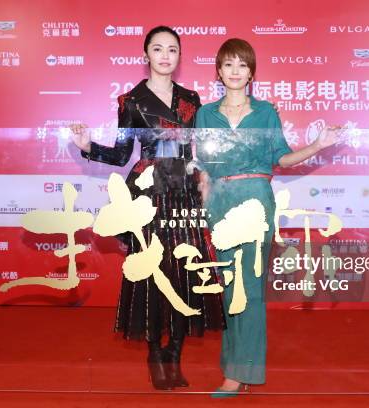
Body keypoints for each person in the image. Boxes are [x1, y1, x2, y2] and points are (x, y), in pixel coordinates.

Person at [70, 26, 225, 390]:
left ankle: (176, 354)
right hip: (149, 191)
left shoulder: (192, 97)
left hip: (184, 189)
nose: (166, 55)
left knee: (187, 270)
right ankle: (155, 350)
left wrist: (204, 176)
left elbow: (199, 147)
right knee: (154, 268)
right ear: (146, 56)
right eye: (158, 49)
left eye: (173, 49)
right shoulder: (131, 101)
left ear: (179, 56)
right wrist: (88, 145)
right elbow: (124, 154)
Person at [195, 38, 343, 397]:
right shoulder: (205, 114)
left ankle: (240, 373)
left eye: (242, 65)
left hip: (255, 201)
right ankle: (234, 366)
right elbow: (202, 165)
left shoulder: (265, 113)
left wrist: (317, 146)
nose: (235, 71)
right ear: (218, 71)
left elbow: (283, 157)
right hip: (220, 202)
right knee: (229, 287)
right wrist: (203, 202)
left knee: (250, 288)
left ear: (251, 73)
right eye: (228, 64)